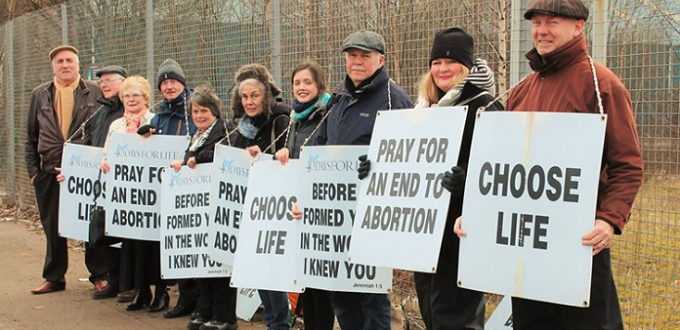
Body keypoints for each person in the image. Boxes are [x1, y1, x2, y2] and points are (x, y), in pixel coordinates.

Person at [456, 1, 644, 329]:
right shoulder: (522, 91)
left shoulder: (602, 85)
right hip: (526, 249)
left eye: (552, 22)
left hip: (579, 246)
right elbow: (503, 167)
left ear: (578, 26)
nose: (542, 31)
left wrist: (608, 220)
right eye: (537, 22)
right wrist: (476, 211)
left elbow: (627, 165)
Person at [315, 30, 414, 330]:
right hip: (336, 214)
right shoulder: (336, 100)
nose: (357, 61)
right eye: (352, 55)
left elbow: (409, 157)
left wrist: (378, 166)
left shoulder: (394, 100)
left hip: (373, 216)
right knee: (341, 292)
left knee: (371, 295)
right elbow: (318, 147)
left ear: (380, 59)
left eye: (365, 56)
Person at [410, 27, 502, 330]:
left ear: (467, 66)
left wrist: (468, 178)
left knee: (456, 316)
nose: (442, 69)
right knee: (431, 309)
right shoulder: (423, 109)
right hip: (424, 229)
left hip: (461, 231)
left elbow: (499, 166)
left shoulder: (486, 105)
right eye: (436, 62)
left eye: (451, 62)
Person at [25, 45, 102, 294]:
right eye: (60, 61)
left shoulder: (95, 91)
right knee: (52, 225)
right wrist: (33, 172)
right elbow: (30, 136)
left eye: (70, 60)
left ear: (78, 64)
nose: (65, 65)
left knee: (90, 222)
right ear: (53, 66)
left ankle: (99, 275)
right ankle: (54, 277)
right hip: (48, 171)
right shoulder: (40, 94)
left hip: (85, 171)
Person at [169, 85, 238, 330]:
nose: (199, 115)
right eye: (195, 111)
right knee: (202, 264)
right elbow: (191, 161)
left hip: (218, 208)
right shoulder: (195, 135)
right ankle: (205, 310)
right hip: (198, 210)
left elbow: (222, 155)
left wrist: (196, 159)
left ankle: (224, 316)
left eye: (203, 110)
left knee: (220, 265)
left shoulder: (227, 131)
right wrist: (181, 164)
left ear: (214, 110)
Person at [229, 63, 291, 330]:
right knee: (257, 269)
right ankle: (273, 321)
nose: (249, 101)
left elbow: (286, 157)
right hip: (249, 205)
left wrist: (261, 155)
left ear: (266, 94)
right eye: (244, 96)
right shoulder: (242, 126)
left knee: (271, 270)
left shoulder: (281, 119)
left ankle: (279, 323)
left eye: (255, 95)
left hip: (273, 206)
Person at [274, 61, 335, 330]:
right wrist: (284, 155)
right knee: (305, 280)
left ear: (319, 85)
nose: (301, 87)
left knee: (320, 283)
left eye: (307, 82)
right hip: (299, 207)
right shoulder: (295, 119)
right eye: (297, 83)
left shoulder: (327, 113)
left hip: (320, 207)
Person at [100, 76, 168, 313]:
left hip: (152, 198)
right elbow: (107, 153)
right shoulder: (116, 126)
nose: (130, 100)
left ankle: (161, 291)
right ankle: (141, 291)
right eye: (127, 96)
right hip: (128, 199)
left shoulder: (155, 122)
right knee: (132, 244)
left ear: (146, 98)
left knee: (152, 244)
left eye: (135, 95)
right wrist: (105, 163)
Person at [149, 59, 200, 319]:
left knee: (189, 241)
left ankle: (191, 298)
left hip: (190, 184)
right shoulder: (159, 115)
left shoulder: (193, 109)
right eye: (164, 83)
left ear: (183, 83)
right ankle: (181, 296)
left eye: (173, 82)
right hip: (167, 188)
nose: (169, 87)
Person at [84, 65, 128, 300]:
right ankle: (110, 278)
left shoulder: (130, 109)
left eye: (110, 80)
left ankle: (127, 281)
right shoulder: (99, 113)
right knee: (104, 230)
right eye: (101, 81)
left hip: (127, 183)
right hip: (103, 182)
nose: (104, 85)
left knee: (123, 233)